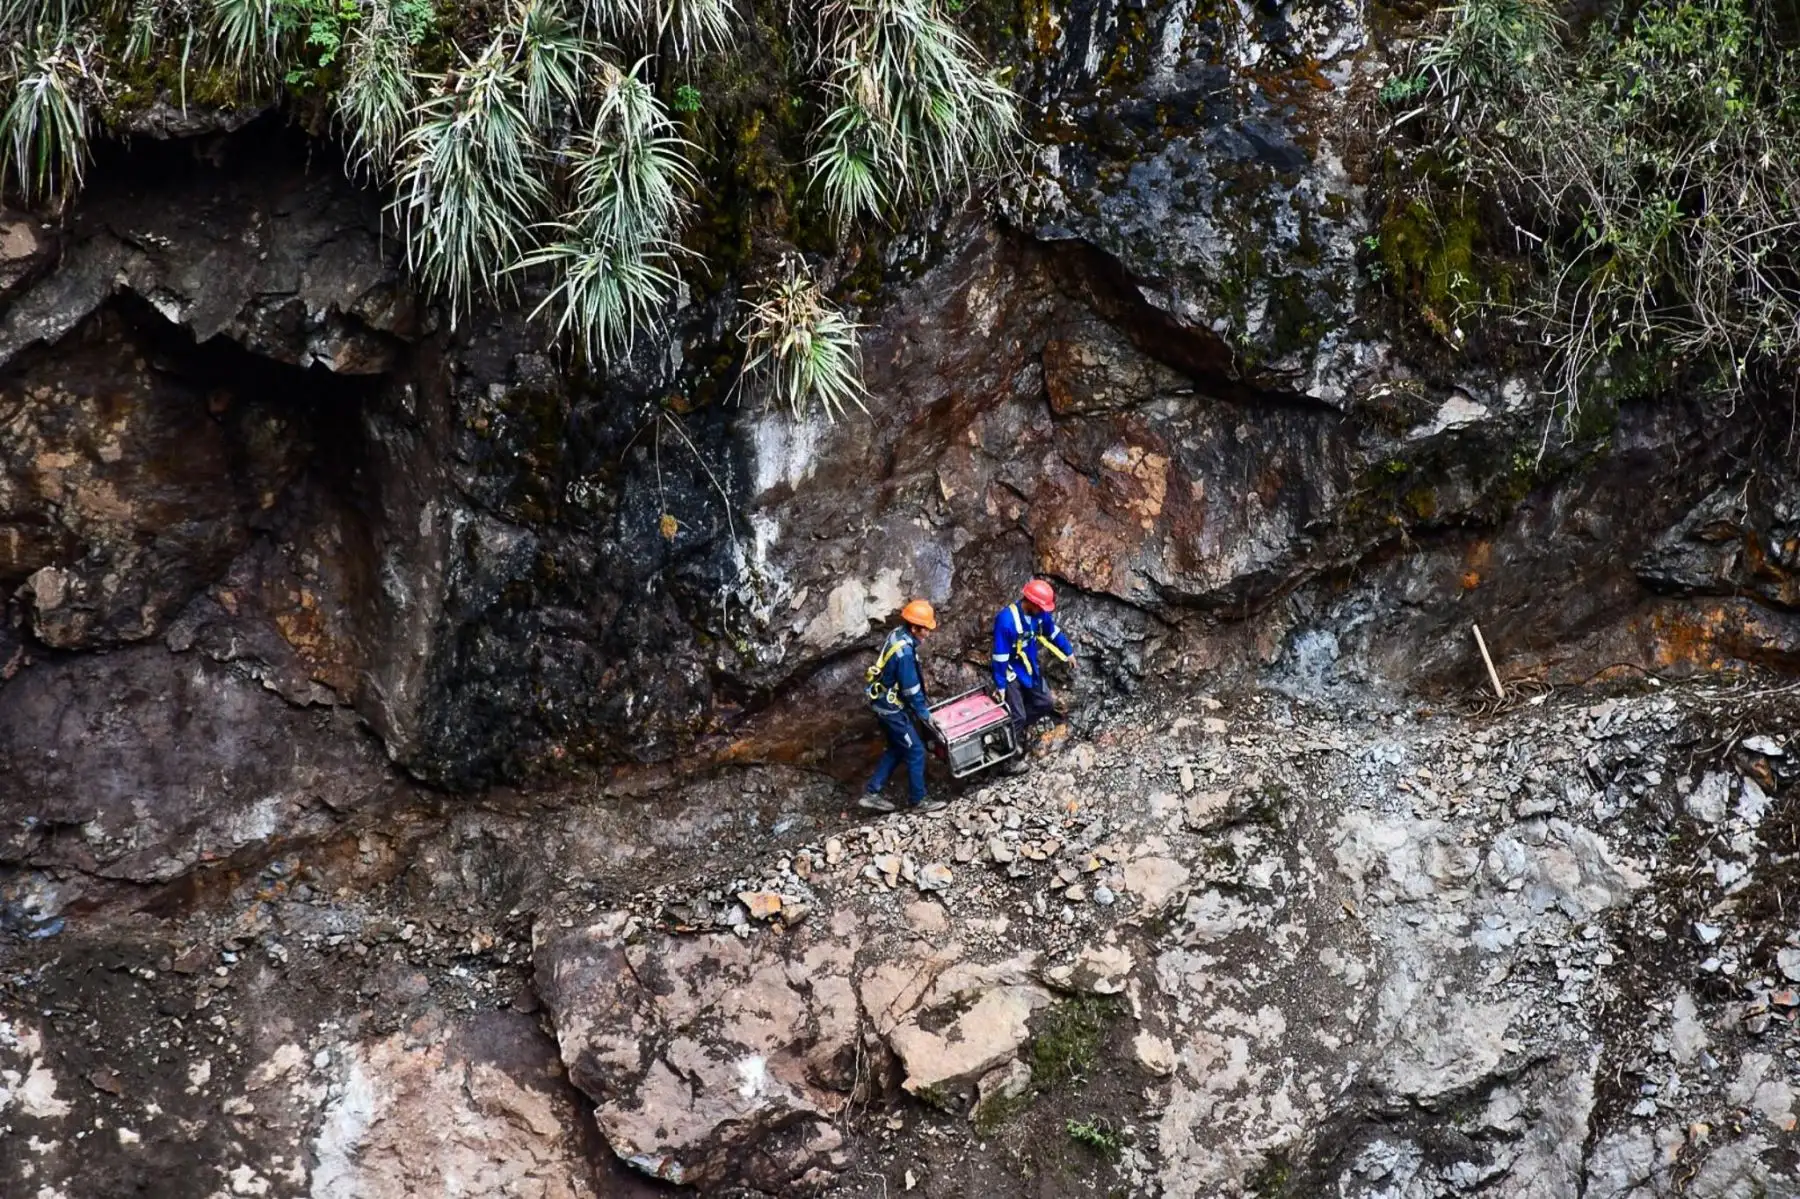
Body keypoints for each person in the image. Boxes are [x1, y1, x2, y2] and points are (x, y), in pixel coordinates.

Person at [859, 600, 947, 814]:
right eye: (925, 628)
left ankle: (872, 792)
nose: (928, 632)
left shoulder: (898, 634)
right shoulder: (905, 653)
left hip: (883, 703)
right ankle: (919, 800)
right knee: (916, 750)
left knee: (898, 748)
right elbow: (911, 690)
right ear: (915, 627)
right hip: (892, 711)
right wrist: (925, 715)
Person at [990, 579, 1076, 774]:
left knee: (1045, 702)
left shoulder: (1040, 615)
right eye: (1040, 607)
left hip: (1028, 667)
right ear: (1030, 602)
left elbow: (1051, 632)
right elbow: (1000, 656)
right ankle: (1007, 759)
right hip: (1011, 669)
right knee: (1017, 715)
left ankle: (1013, 731)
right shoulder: (1006, 621)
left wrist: (1068, 651)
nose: (1043, 611)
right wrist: (1001, 685)